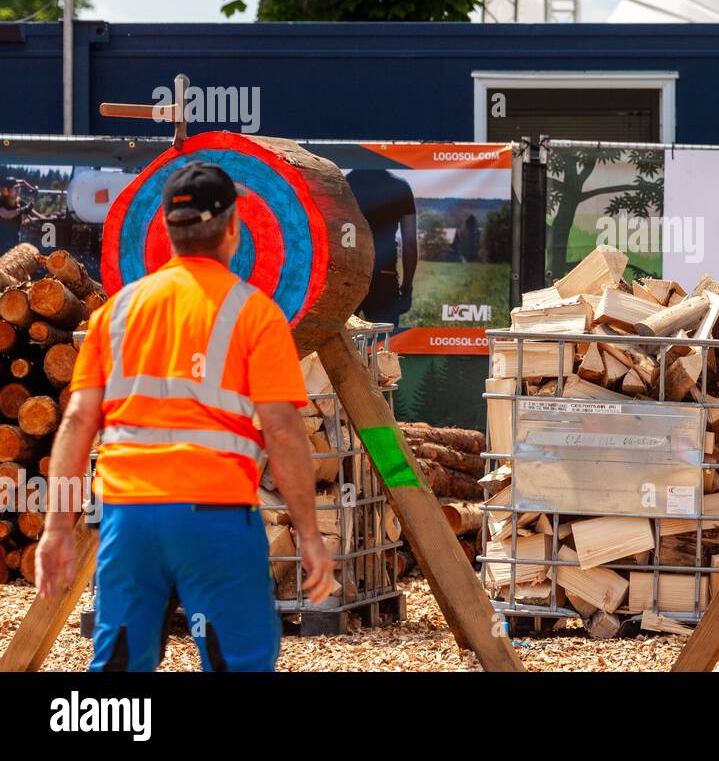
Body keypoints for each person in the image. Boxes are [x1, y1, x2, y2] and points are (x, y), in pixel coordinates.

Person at [36, 161, 331, 672]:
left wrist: (57, 528)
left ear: (166, 231)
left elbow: (78, 425)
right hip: (214, 517)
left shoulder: (117, 313)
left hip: (127, 520)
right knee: (239, 662)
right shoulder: (255, 315)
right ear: (234, 230)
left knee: (119, 671)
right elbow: (282, 431)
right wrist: (307, 533)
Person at [345, 169, 417, 325]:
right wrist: (407, 287)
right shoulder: (400, 186)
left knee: (338, 345)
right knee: (383, 345)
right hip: (384, 277)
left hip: (347, 277)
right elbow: (410, 243)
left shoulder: (343, 184)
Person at [0, 178, 34, 251]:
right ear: (6, 190)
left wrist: (46, 219)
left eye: (18, 189)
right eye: (15, 189)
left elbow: (31, 211)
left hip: (14, 243)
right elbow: (6, 214)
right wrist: (22, 209)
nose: (17, 191)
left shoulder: (18, 201)